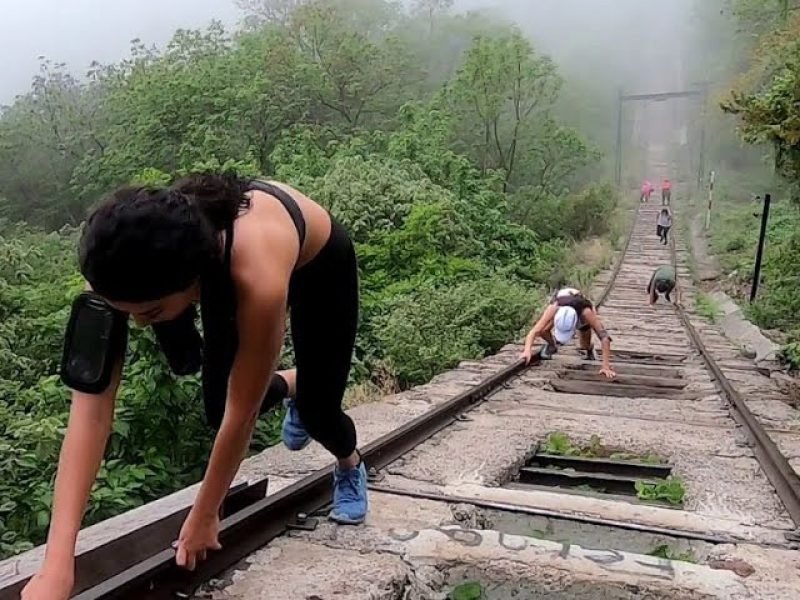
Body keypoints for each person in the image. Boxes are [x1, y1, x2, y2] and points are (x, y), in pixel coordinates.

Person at [22, 174, 366, 600]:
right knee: (214, 405)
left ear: (194, 283)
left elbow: (244, 412)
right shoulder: (116, 271)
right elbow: (90, 414)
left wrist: (206, 513)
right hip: (186, 273)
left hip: (317, 263)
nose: (140, 324)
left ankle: (348, 461)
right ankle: (294, 385)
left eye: (148, 312)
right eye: (129, 314)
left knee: (319, 412)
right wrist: (57, 565)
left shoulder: (256, 277)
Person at [520, 287, 616, 379]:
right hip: (565, 305)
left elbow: (605, 338)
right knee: (543, 330)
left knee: (584, 346)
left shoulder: (586, 313)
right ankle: (552, 345)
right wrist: (527, 350)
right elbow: (534, 331)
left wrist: (605, 366)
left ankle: (590, 348)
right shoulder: (554, 307)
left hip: (580, 312)